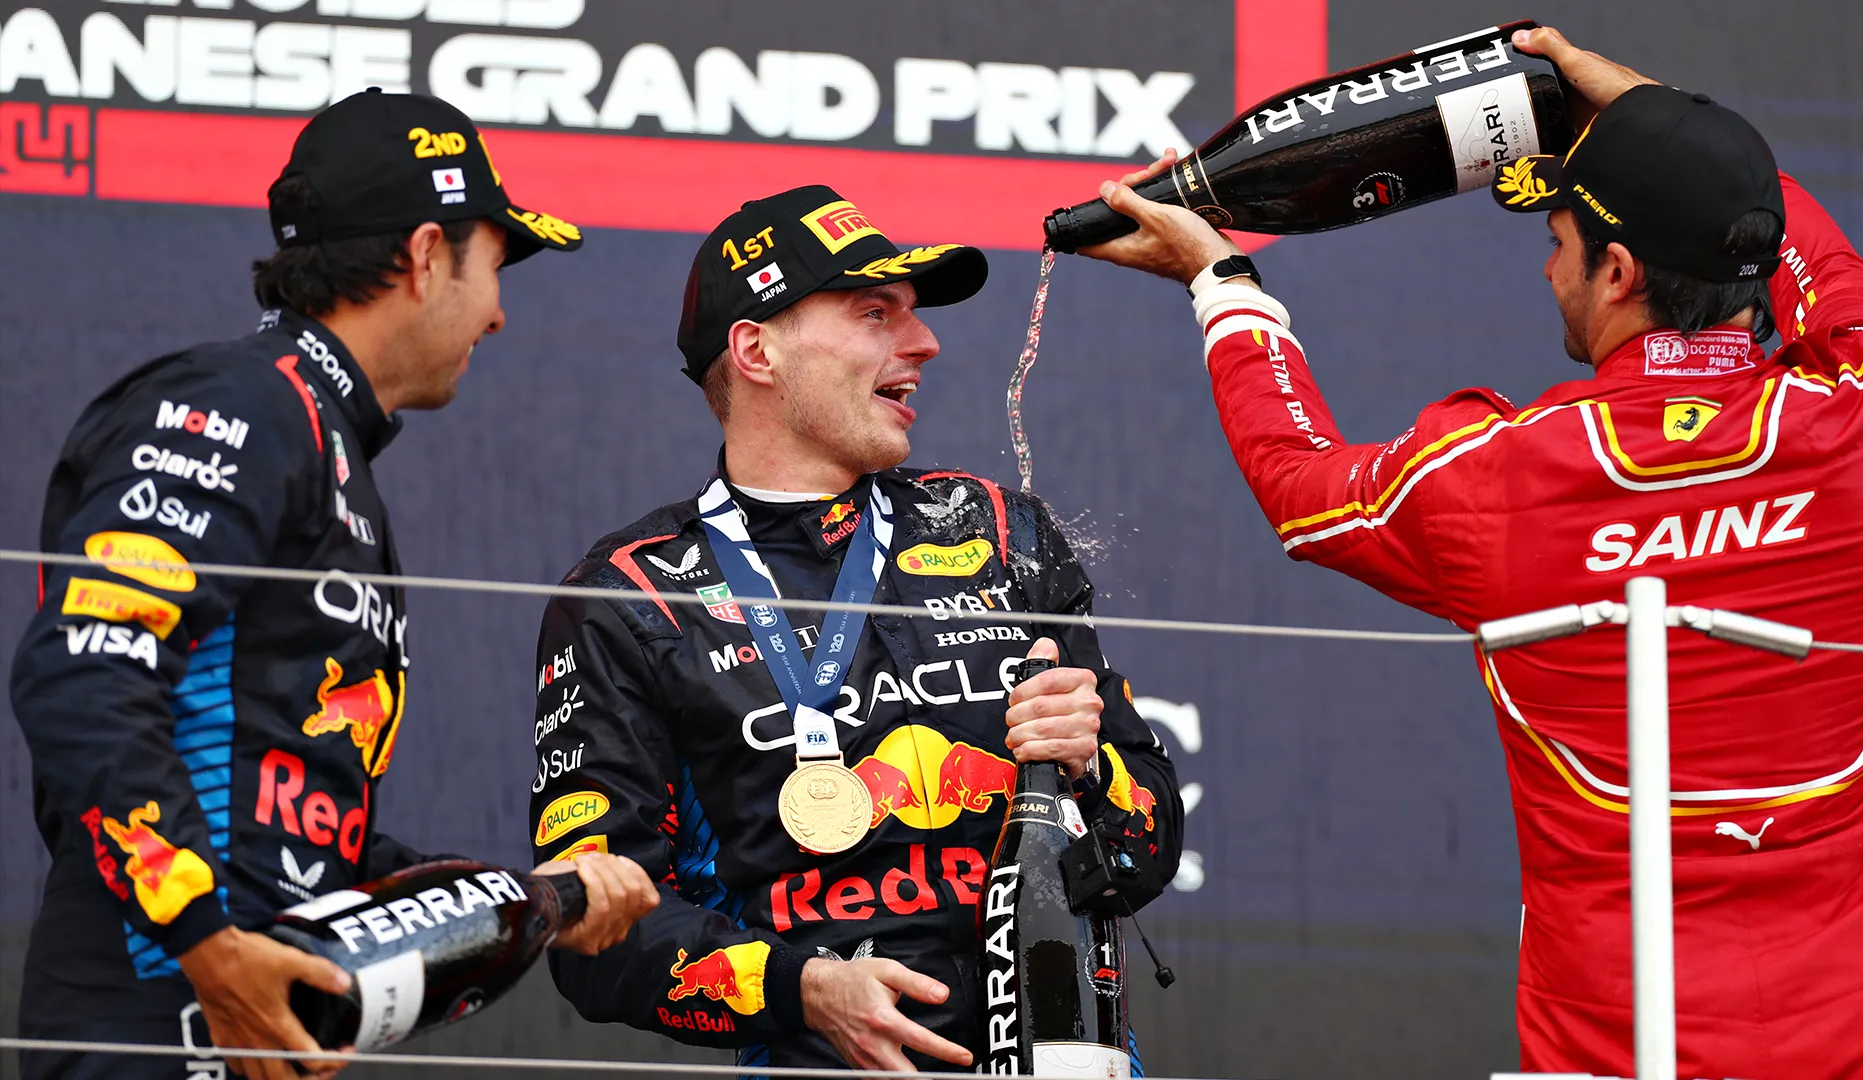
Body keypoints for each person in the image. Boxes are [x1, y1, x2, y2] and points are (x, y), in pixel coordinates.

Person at [1078, 25, 1863, 1079]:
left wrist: (1220, 281)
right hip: (1860, 1038)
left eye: (1558, 240)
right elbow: (1809, 255)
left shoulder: (1499, 474)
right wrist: (1668, 125)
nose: (1549, 264)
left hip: (1612, 1042)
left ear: (1619, 272)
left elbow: (1299, 481)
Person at [10, 90, 657, 1080]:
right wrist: (205, 943)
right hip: (157, 1013)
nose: (498, 312)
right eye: (495, 265)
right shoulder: (241, 405)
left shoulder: (328, 447)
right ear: (427, 255)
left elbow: (296, 823)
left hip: (253, 1013)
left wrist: (536, 899)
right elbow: (87, 673)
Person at [531, 185, 1183, 1073]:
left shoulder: (1000, 531)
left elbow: (1147, 851)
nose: (924, 342)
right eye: (875, 313)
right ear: (756, 351)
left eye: (911, 313)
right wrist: (801, 988)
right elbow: (593, 930)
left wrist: (1091, 768)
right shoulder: (629, 596)